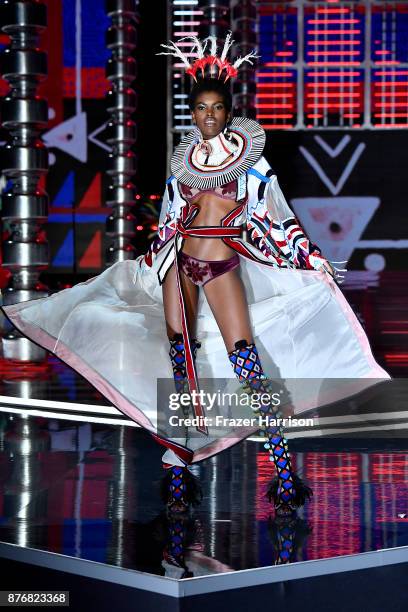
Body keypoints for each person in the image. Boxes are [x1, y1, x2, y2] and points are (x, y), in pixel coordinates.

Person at [1, 35, 390, 520]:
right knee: (181, 367)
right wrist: (150, 260)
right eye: (202, 108)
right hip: (178, 267)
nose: (209, 115)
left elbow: (276, 216)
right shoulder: (182, 162)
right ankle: (181, 474)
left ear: (229, 111)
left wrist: (308, 256)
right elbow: (169, 220)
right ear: (193, 112)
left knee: (247, 364)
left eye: (217, 107)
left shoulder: (251, 160)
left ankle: (285, 476)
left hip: (222, 263)